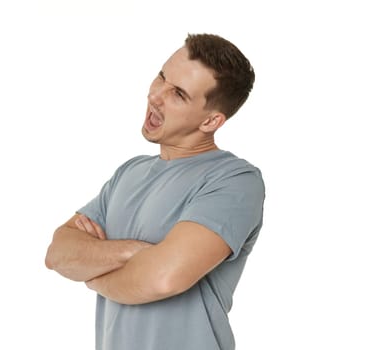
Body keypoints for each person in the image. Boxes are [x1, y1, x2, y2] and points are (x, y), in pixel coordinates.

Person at [45, 33, 265, 350]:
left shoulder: (233, 180)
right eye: (162, 76)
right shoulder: (129, 173)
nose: (156, 96)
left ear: (211, 120)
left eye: (178, 94)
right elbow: (58, 254)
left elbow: (163, 278)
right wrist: (133, 252)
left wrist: (92, 276)